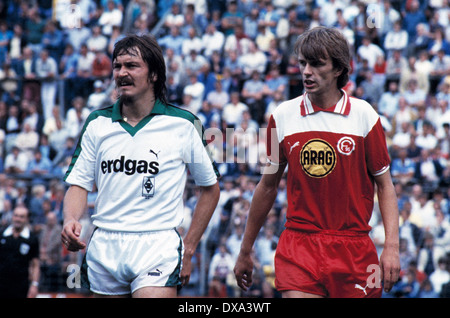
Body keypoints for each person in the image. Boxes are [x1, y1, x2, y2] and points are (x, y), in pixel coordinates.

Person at [234, 27, 400, 298]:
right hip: (299, 245)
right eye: (302, 63)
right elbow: (267, 186)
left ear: (338, 69)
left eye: (317, 63)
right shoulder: (283, 116)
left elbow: (385, 185)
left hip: (354, 249)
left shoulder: (364, 116)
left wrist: (392, 246)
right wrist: (245, 250)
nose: (307, 71)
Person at [61, 34, 220, 298]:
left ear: (154, 74)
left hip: (157, 246)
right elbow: (79, 184)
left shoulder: (183, 124)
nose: (122, 72)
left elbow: (211, 189)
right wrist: (70, 219)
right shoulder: (97, 123)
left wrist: (189, 248)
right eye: (117, 66)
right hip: (104, 245)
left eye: (131, 65)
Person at [0, 205, 40, 298]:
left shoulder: (31, 239)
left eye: (21, 217)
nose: (18, 219)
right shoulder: (2, 234)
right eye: (16, 215)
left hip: (21, 285)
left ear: (27, 219)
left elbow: (35, 264)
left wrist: (34, 285)